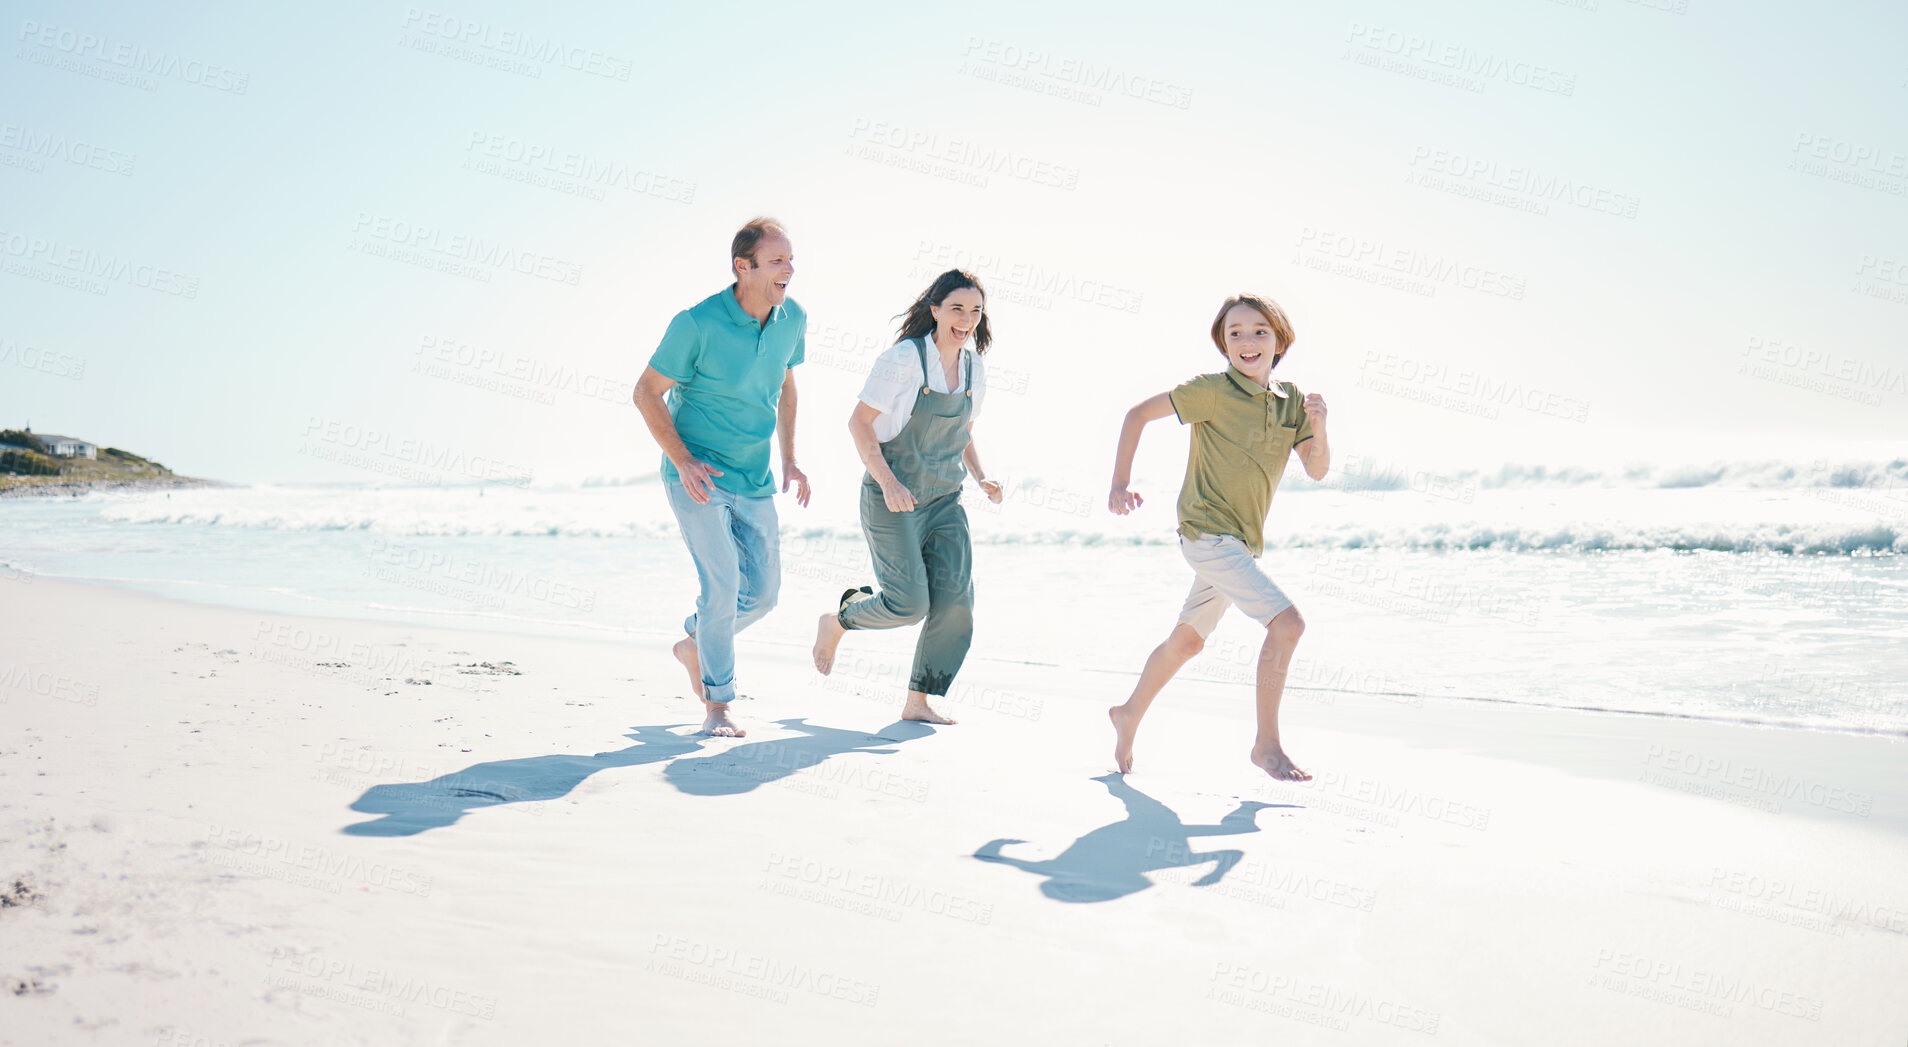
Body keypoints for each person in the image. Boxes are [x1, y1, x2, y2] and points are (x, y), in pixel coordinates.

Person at [1105, 293, 1330, 780]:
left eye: (1258, 331)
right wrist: (1119, 483)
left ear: (1279, 340)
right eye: (1235, 333)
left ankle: (1127, 714)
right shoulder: (1210, 390)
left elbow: (1316, 469)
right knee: (1288, 624)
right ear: (1223, 343)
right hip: (1207, 534)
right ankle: (1266, 745)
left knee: (1187, 642)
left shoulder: (1291, 401)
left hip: (1240, 545)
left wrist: (1318, 426)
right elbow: (1136, 415)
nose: (1247, 341)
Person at [632, 218, 811, 737]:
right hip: (698, 474)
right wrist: (683, 460)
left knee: (763, 594)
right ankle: (718, 705)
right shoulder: (697, 323)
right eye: (778, 260)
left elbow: (787, 387)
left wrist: (791, 459)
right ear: (743, 266)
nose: (789, 270)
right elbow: (646, 391)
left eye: (791, 259)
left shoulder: (792, 318)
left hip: (753, 477)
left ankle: (696, 642)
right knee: (723, 585)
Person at [811, 269, 1004, 723]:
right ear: (934, 309)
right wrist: (888, 481)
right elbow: (859, 423)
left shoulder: (976, 367)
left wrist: (982, 477)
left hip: (945, 501)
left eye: (975, 311)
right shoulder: (903, 359)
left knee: (956, 603)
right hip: (891, 497)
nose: (967, 319)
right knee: (909, 605)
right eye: (957, 308)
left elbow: (964, 432)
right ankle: (838, 620)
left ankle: (918, 701)